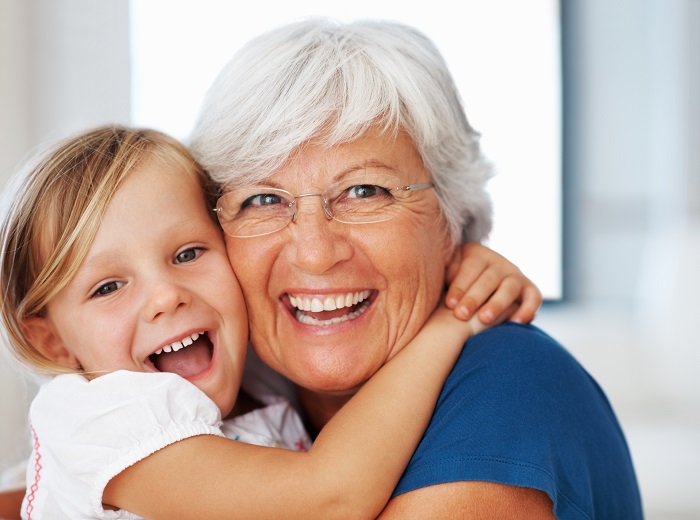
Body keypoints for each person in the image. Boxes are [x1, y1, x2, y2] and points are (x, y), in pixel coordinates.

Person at [188, 17, 644, 518]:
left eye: (365, 191)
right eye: (263, 199)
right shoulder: (231, 399)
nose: (315, 253)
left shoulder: (509, 383)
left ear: (453, 220)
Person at [0, 125, 537, 519]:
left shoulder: (258, 377)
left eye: (188, 253)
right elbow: (331, 497)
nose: (166, 296)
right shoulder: (101, 418)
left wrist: (455, 269)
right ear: (51, 340)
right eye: (108, 287)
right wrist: (453, 318)